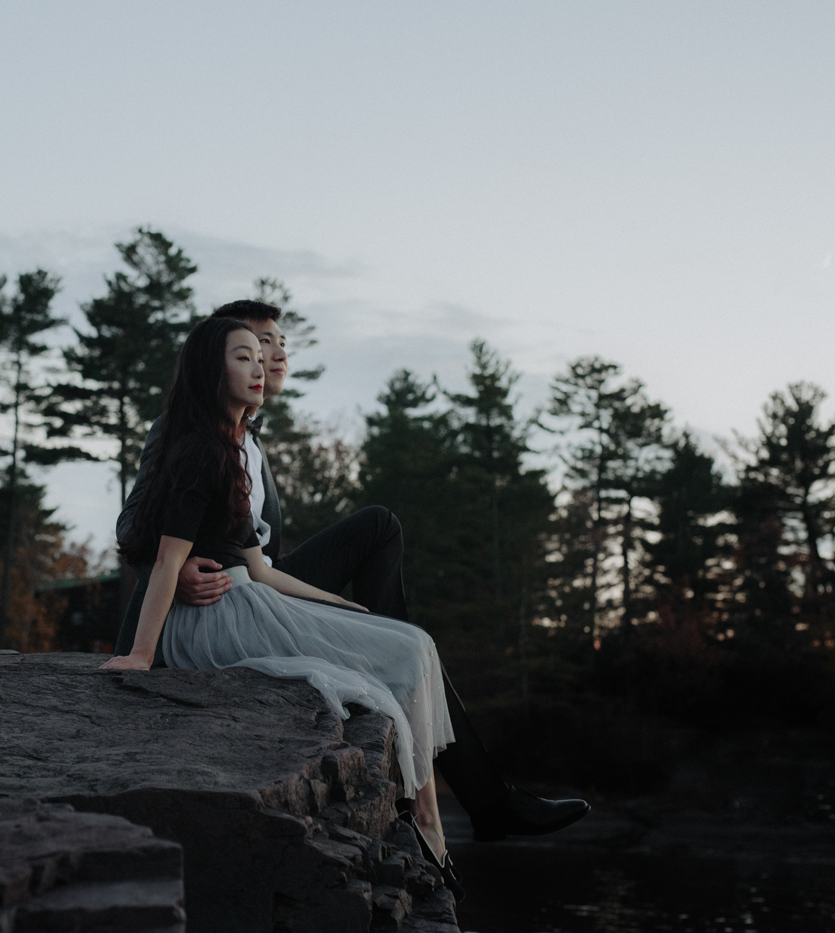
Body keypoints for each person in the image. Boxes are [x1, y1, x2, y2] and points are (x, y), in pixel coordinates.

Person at [115, 300, 591, 845]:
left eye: (275, 345)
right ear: (217, 360)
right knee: (392, 610)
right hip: (220, 598)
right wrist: (173, 581)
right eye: (257, 344)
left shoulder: (248, 440)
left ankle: (451, 759)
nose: (275, 355)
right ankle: (464, 800)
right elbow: (139, 526)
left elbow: (256, 557)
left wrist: (344, 607)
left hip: (260, 580)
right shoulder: (187, 432)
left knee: (382, 540)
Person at [101, 315, 460, 884]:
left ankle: (426, 824)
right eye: (242, 357)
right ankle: (428, 827)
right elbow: (169, 559)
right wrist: (142, 657)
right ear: (209, 371)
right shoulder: (198, 450)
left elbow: (263, 571)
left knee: (413, 643)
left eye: (260, 356)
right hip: (214, 619)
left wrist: (342, 606)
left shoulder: (235, 448)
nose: (259, 368)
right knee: (404, 657)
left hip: (250, 598)